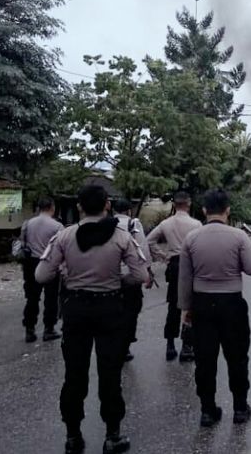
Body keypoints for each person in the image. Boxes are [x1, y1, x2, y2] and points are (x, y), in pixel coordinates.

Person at [36, 185, 149, 454]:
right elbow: (141, 275)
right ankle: (112, 435)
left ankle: (73, 436)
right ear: (107, 205)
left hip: (75, 309)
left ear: (79, 207)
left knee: (74, 374)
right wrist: (117, 280)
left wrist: (68, 275)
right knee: (110, 373)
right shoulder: (122, 237)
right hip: (110, 308)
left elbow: (41, 275)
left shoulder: (64, 236)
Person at [178, 189, 251, 427]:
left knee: (205, 360)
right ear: (228, 210)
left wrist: (186, 310)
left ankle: (207, 410)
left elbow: (185, 279)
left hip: (202, 305)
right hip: (232, 304)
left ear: (204, 211)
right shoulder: (239, 237)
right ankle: (240, 408)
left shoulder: (192, 238)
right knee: (237, 357)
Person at [146, 191, 202, 362]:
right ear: (189, 203)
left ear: (174, 204)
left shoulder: (166, 223)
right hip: (191, 265)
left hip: (175, 264)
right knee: (189, 306)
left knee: (173, 305)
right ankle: (187, 347)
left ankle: (170, 345)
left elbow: (149, 240)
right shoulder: (197, 224)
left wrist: (163, 256)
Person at [112, 199, 153, 362]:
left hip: (110, 276)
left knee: (114, 311)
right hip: (130, 275)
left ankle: (114, 343)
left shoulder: (106, 223)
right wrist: (148, 272)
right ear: (129, 210)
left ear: (113, 209)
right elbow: (143, 248)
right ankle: (126, 345)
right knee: (131, 309)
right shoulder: (133, 223)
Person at [20, 197, 64, 342]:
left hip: (30, 263)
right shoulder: (57, 226)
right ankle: (48, 329)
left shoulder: (28, 223)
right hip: (50, 263)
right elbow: (62, 247)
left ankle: (29, 329)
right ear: (52, 207)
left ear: (38, 208)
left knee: (32, 297)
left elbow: (22, 243)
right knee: (51, 298)